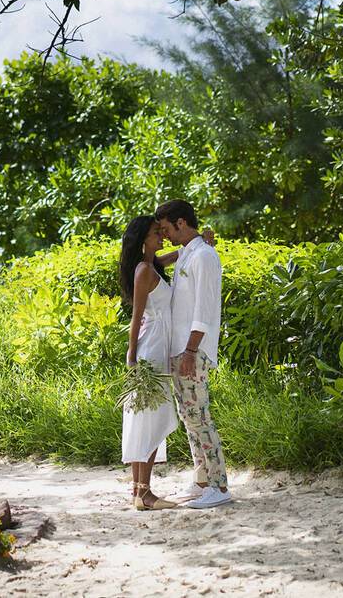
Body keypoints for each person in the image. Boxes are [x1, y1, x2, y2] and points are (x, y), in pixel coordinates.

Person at [155, 198, 231, 509]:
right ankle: (202, 480)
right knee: (188, 417)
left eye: (166, 229)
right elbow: (157, 262)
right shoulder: (190, 252)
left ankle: (219, 485)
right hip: (179, 348)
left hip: (192, 350)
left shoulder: (204, 257)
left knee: (200, 417)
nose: (165, 235)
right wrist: (191, 244)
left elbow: (204, 310)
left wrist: (189, 351)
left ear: (181, 223)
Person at [118, 215, 180, 510]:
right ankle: (144, 493)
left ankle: (138, 492)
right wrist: (132, 361)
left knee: (146, 420)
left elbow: (169, 257)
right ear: (144, 239)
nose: (162, 236)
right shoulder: (144, 270)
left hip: (155, 344)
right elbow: (135, 318)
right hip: (151, 350)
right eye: (157, 233)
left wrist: (193, 243)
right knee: (151, 421)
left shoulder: (150, 266)